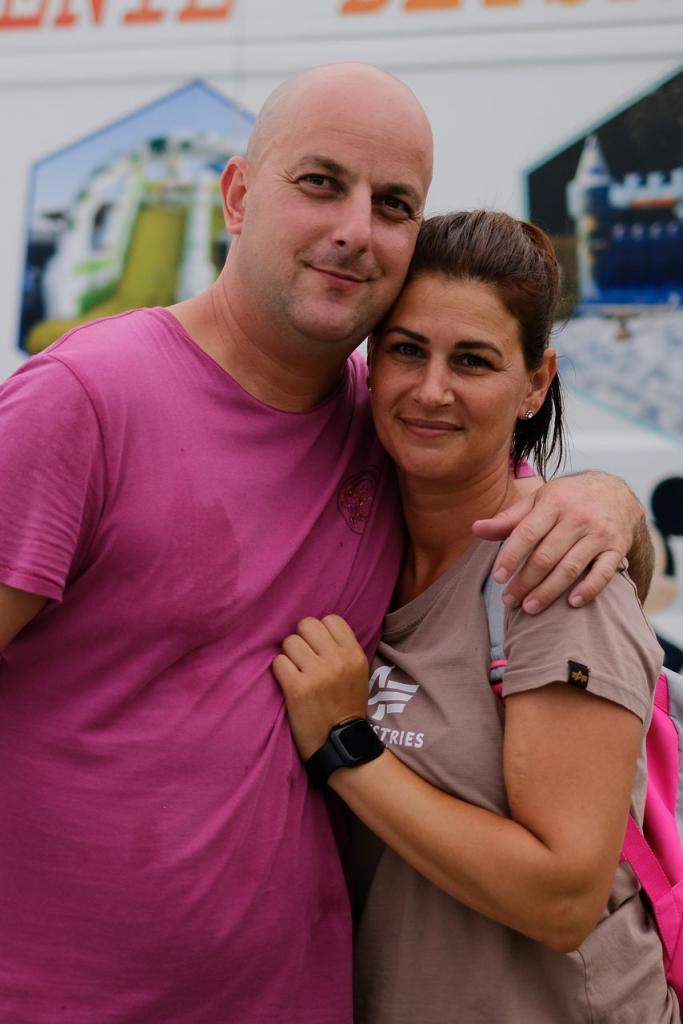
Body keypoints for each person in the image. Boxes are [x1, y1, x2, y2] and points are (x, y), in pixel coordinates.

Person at [0, 66, 651, 1024]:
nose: (355, 228)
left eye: (393, 204)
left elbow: (534, 536)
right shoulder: (83, 402)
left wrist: (611, 503)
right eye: (320, 182)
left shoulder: (381, 428)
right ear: (236, 195)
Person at [273, 211, 678, 1023]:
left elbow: (562, 898)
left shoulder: (552, 577)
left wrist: (346, 746)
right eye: (406, 350)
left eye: (472, 360)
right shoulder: (346, 554)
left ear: (535, 381)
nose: (431, 390)